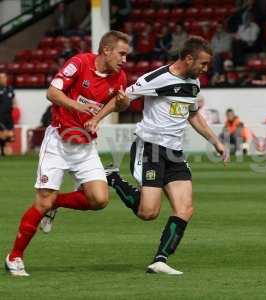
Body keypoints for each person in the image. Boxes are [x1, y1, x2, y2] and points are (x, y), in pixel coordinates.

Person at [4, 30, 130, 276]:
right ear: (106, 50)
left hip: (85, 144)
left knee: (99, 199)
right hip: (58, 142)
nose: (124, 60)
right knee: (42, 201)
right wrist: (78, 106)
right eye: (122, 54)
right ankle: (15, 256)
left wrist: (100, 116)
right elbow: (52, 92)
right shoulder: (79, 63)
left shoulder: (119, 76)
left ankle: (56, 203)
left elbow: (118, 102)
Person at [105, 37, 229, 275]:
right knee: (148, 212)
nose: (205, 69)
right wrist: (95, 119)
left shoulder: (194, 83)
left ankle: (160, 259)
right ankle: (113, 178)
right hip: (149, 147)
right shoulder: (156, 78)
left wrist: (215, 141)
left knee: (185, 208)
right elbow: (122, 98)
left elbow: (193, 115)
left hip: (175, 152)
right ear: (188, 58)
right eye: (203, 64)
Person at [0, 72, 16, 156]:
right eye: (1, 78)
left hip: (9, 116)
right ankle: (3, 150)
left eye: (4, 77)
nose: (3, 79)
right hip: (1, 116)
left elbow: (13, 100)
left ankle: (3, 151)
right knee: (4, 134)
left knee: (11, 135)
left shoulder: (10, 89)